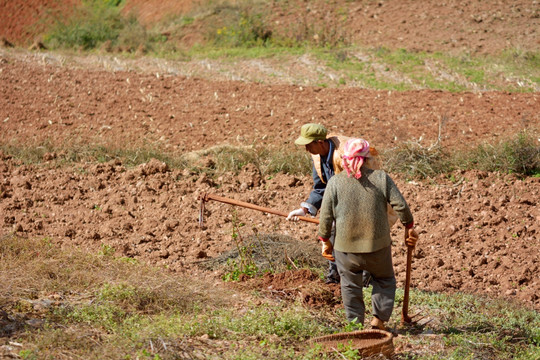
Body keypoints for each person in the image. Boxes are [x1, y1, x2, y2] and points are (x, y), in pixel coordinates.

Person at [317, 138, 418, 330]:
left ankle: (355, 327)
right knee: (384, 279)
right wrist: (409, 226)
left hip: (345, 249)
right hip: (377, 246)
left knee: (349, 286)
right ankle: (378, 321)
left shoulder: (335, 183)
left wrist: (325, 241)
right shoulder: (381, 178)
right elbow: (402, 207)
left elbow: (326, 217)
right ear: (367, 158)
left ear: (344, 159)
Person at [286, 123, 398, 284]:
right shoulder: (317, 157)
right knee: (332, 236)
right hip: (343, 199)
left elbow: (359, 189)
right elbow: (321, 187)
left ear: (320, 142)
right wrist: (305, 209)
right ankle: (335, 277)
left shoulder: (347, 155)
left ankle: (365, 281)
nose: (306, 149)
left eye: (308, 145)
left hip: (365, 199)